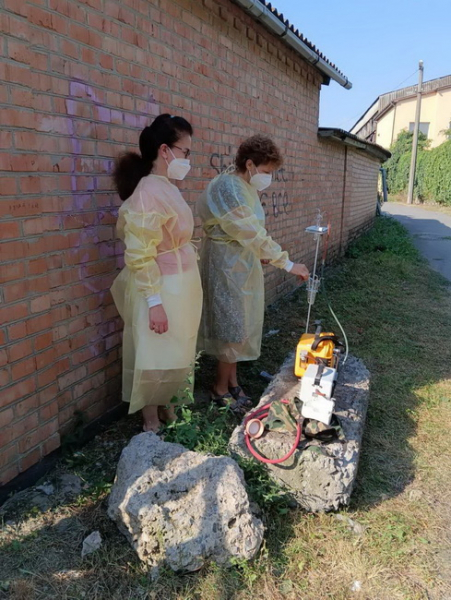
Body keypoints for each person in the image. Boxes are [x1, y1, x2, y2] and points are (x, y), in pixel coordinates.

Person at [197, 135, 309, 413]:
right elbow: (250, 231)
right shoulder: (229, 187)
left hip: (240, 264)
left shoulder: (243, 186)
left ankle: (232, 380)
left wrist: (261, 253)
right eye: (267, 172)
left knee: (240, 324)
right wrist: (287, 263)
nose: (269, 178)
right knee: (232, 328)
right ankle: (219, 388)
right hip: (226, 267)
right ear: (250, 164)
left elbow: (248, 232)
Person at [111, 114, 202, 432]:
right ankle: (150, 417)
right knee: (153, 351)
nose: (187, 159)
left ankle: (169, 403)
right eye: (185, 152)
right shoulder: (148, 193)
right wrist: (154, 301)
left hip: (181, 284)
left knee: (176, 347)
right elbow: (139, 253)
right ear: (165, 151)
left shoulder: (167, 188)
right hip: (161, 285)